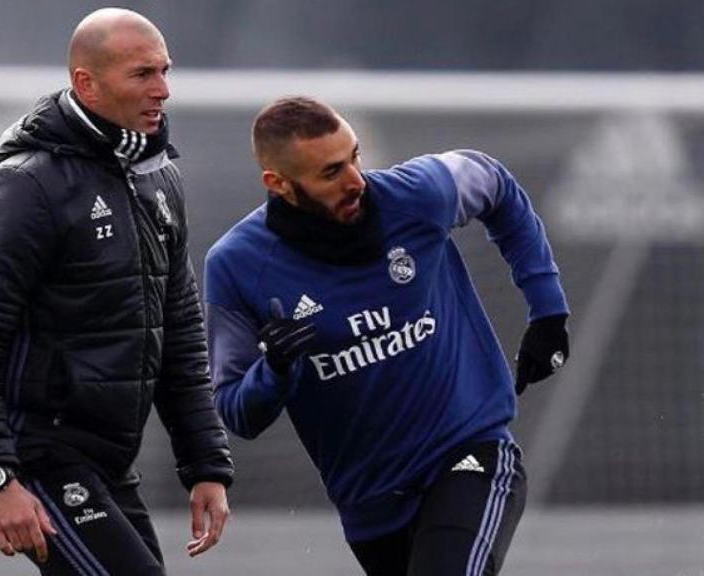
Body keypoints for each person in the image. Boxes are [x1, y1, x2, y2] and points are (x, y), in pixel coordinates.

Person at [204, 96, 570, 575]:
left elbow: (495, 183)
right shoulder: (236, 265)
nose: (356, 180)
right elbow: (237, 410)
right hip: (370, 502)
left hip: (468, 452)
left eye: (354, 156)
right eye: (331, 172)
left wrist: (548, 311)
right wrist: (274, 369)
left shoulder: (417, 193)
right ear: (279, 184)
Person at [0, 8, 233, 575]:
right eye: (142, 74)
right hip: (36, 459)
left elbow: (180, 333)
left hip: (107, 461)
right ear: (86, 83)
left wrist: (206, 464)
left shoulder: (159, 176)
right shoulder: (25, 186)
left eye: (165, 71)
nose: (163, 89)